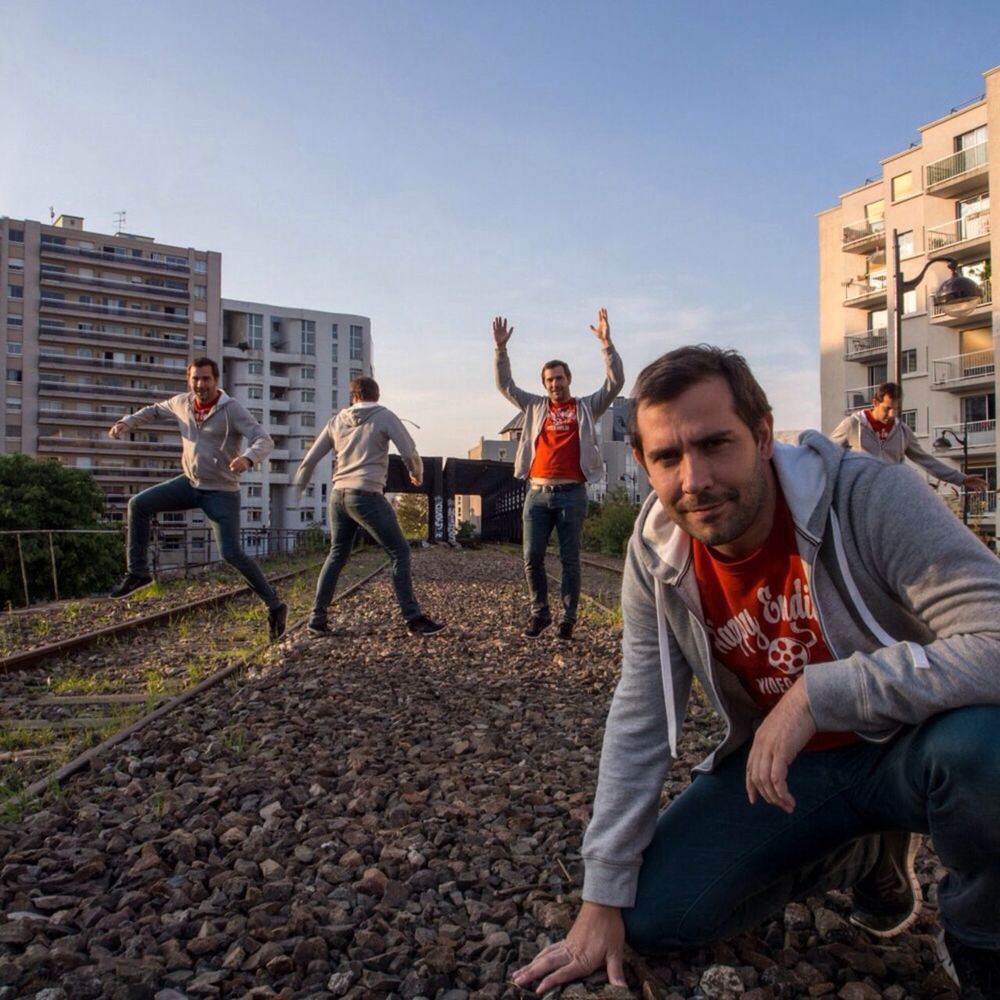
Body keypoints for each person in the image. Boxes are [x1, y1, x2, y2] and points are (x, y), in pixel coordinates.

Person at [513, 346, 1000, 999]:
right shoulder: (657, 554)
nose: (696, 479)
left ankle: (984, 943)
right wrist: (601, 893)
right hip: (793, 775)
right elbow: (642, 718)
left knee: (986, 748)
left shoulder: (869, 493)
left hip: (909, 743)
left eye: (716, 444)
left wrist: (821, 693)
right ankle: (862, 851)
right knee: (651, 917)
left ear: (764, 433)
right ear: (643, 465)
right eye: (668, 458)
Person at [107, 358, 287, 641]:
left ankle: (275, 605)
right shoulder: (181, 403)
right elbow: (154, 410)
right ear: (188, 381)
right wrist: (126, 422)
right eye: (196, 379)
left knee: (231, 553)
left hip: (222, 491)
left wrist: (247, 459)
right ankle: (138, 573)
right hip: (190, 483)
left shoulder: (232, 410)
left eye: (206, 379)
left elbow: (264, 439)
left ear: (216, 381)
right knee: (138, 504)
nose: (201, 385)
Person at [493, 308, 624, 640]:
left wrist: (606, 344)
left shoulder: (585, 407)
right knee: (531, 557)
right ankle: (541, 614)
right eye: (550, 380)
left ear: (569, 380)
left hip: (571, 493)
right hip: (537, 493)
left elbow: (615, 382)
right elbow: (505, 385)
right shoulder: (535, 407)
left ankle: (567, 620)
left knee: (569, 560)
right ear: (544, 384)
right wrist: (500, 350)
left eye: (560, 378)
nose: (555, 384)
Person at [293, 375, 444, 637]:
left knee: (337, 554)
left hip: (338, 495)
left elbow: (310, 459)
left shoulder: (337, 421)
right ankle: (413, 619)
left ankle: (317, 619)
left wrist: (298, 487)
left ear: (353, 397)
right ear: (377, 395)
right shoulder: (384, 416)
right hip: (366, 494)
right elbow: (409, 450)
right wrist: (416, 473)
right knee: (400, 552)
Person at [830, 381, 989, 491]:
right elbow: (829, 453)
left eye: (896, 409)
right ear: (875, 403)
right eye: (887, 408)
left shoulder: (902, 431)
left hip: (890, 493)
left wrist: (960, 478)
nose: (892, 414)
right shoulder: (853, 425)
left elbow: (925, 460)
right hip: (860, 493)